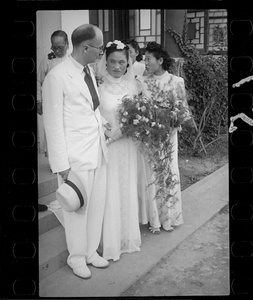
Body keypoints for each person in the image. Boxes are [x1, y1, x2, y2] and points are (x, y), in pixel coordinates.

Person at [42, 24, 109, 279]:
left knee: (95, 206)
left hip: (97, 150)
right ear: (85, 47)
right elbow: (52, 122)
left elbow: (91, 111)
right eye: (100, 47)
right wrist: (61, 165)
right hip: (74, 157)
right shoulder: (57, 77)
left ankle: (91, 251)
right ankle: (76, 257)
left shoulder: (88, 72)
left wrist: (104, 124)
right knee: (77, 210)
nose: (101, 51)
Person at [136, 41, 193, 233]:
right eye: (144, 59)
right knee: (151, 174)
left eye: (149, 59)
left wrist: (174, 119)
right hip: (150, 137)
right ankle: (154, 220)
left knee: (168, 172)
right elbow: (138, 109)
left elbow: (183, 111)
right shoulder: (142, 82)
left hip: (168, 136)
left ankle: (168, 217)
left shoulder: (177, 82)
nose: (146, 63)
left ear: (160, 60)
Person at [96, 40, 141, 261]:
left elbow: (139, 115)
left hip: (127, 145)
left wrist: (126, 129)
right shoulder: (98, 87)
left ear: (128, 63)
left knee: (125, 186)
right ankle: (110, 241)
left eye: (121, 62)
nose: (116, 66)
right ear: (106, 62)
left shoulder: (133, 87)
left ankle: (126, 236)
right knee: (110, 189)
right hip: (109, 146)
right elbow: (95, 116)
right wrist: (108, 132)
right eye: (112, 61)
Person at [37, 30, 69, 156]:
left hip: (67, 103)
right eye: (53, 47)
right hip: (51, 103)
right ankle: (53, 160)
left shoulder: (72, 60)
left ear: (68, 44)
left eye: (60, 47)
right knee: (52, 131)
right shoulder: (47, 60)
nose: (56, 51)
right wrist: (38, 100)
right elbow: (38, 80)